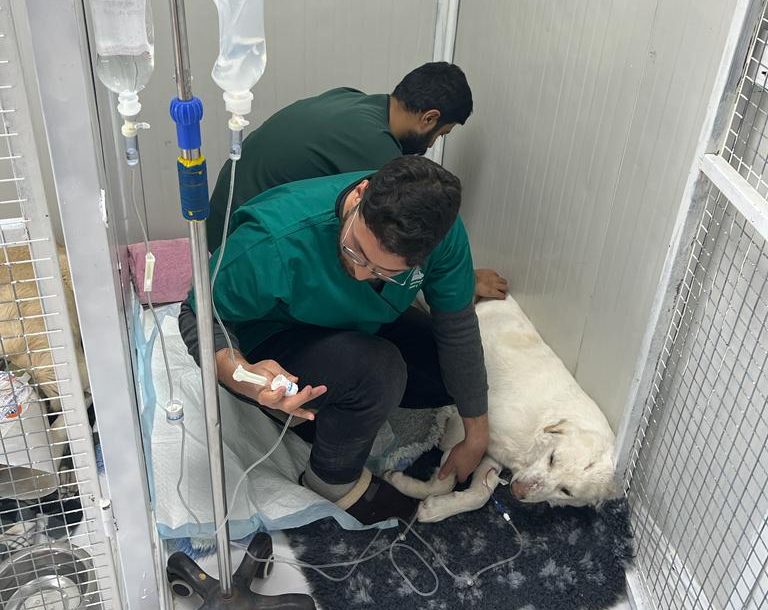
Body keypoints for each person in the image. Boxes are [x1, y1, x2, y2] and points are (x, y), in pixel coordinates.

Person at [180, 156, 488, 525]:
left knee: (449, 376)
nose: (360, 273)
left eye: (383, 272)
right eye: (354, 250)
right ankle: (329, 481)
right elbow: (196, 313)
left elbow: (458, 327)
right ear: (360, 195)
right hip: (273, 340)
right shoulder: (275, 239)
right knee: (378, 370)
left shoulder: (442, 234)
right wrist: (242, 375)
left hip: (361, 322)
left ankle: (331, 407)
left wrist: (476, 435)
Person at [206, 61, 507, 300]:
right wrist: (463, 283)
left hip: (221, 218)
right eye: (441, 134)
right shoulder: (376, 152)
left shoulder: (353, 99)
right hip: (236, 248)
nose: (431, 146)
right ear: (428, 118)